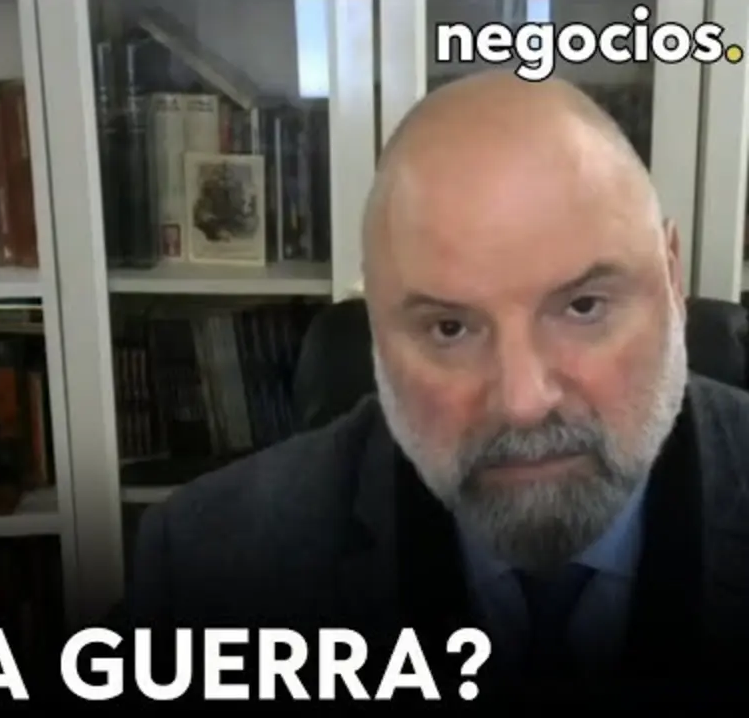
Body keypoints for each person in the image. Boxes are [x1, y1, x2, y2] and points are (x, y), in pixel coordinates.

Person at [118, 71, 749, 706]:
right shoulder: (210, 569)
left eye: (584, 307)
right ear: (375, 332)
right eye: (450, 328)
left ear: (672, 281)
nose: (524, 403)